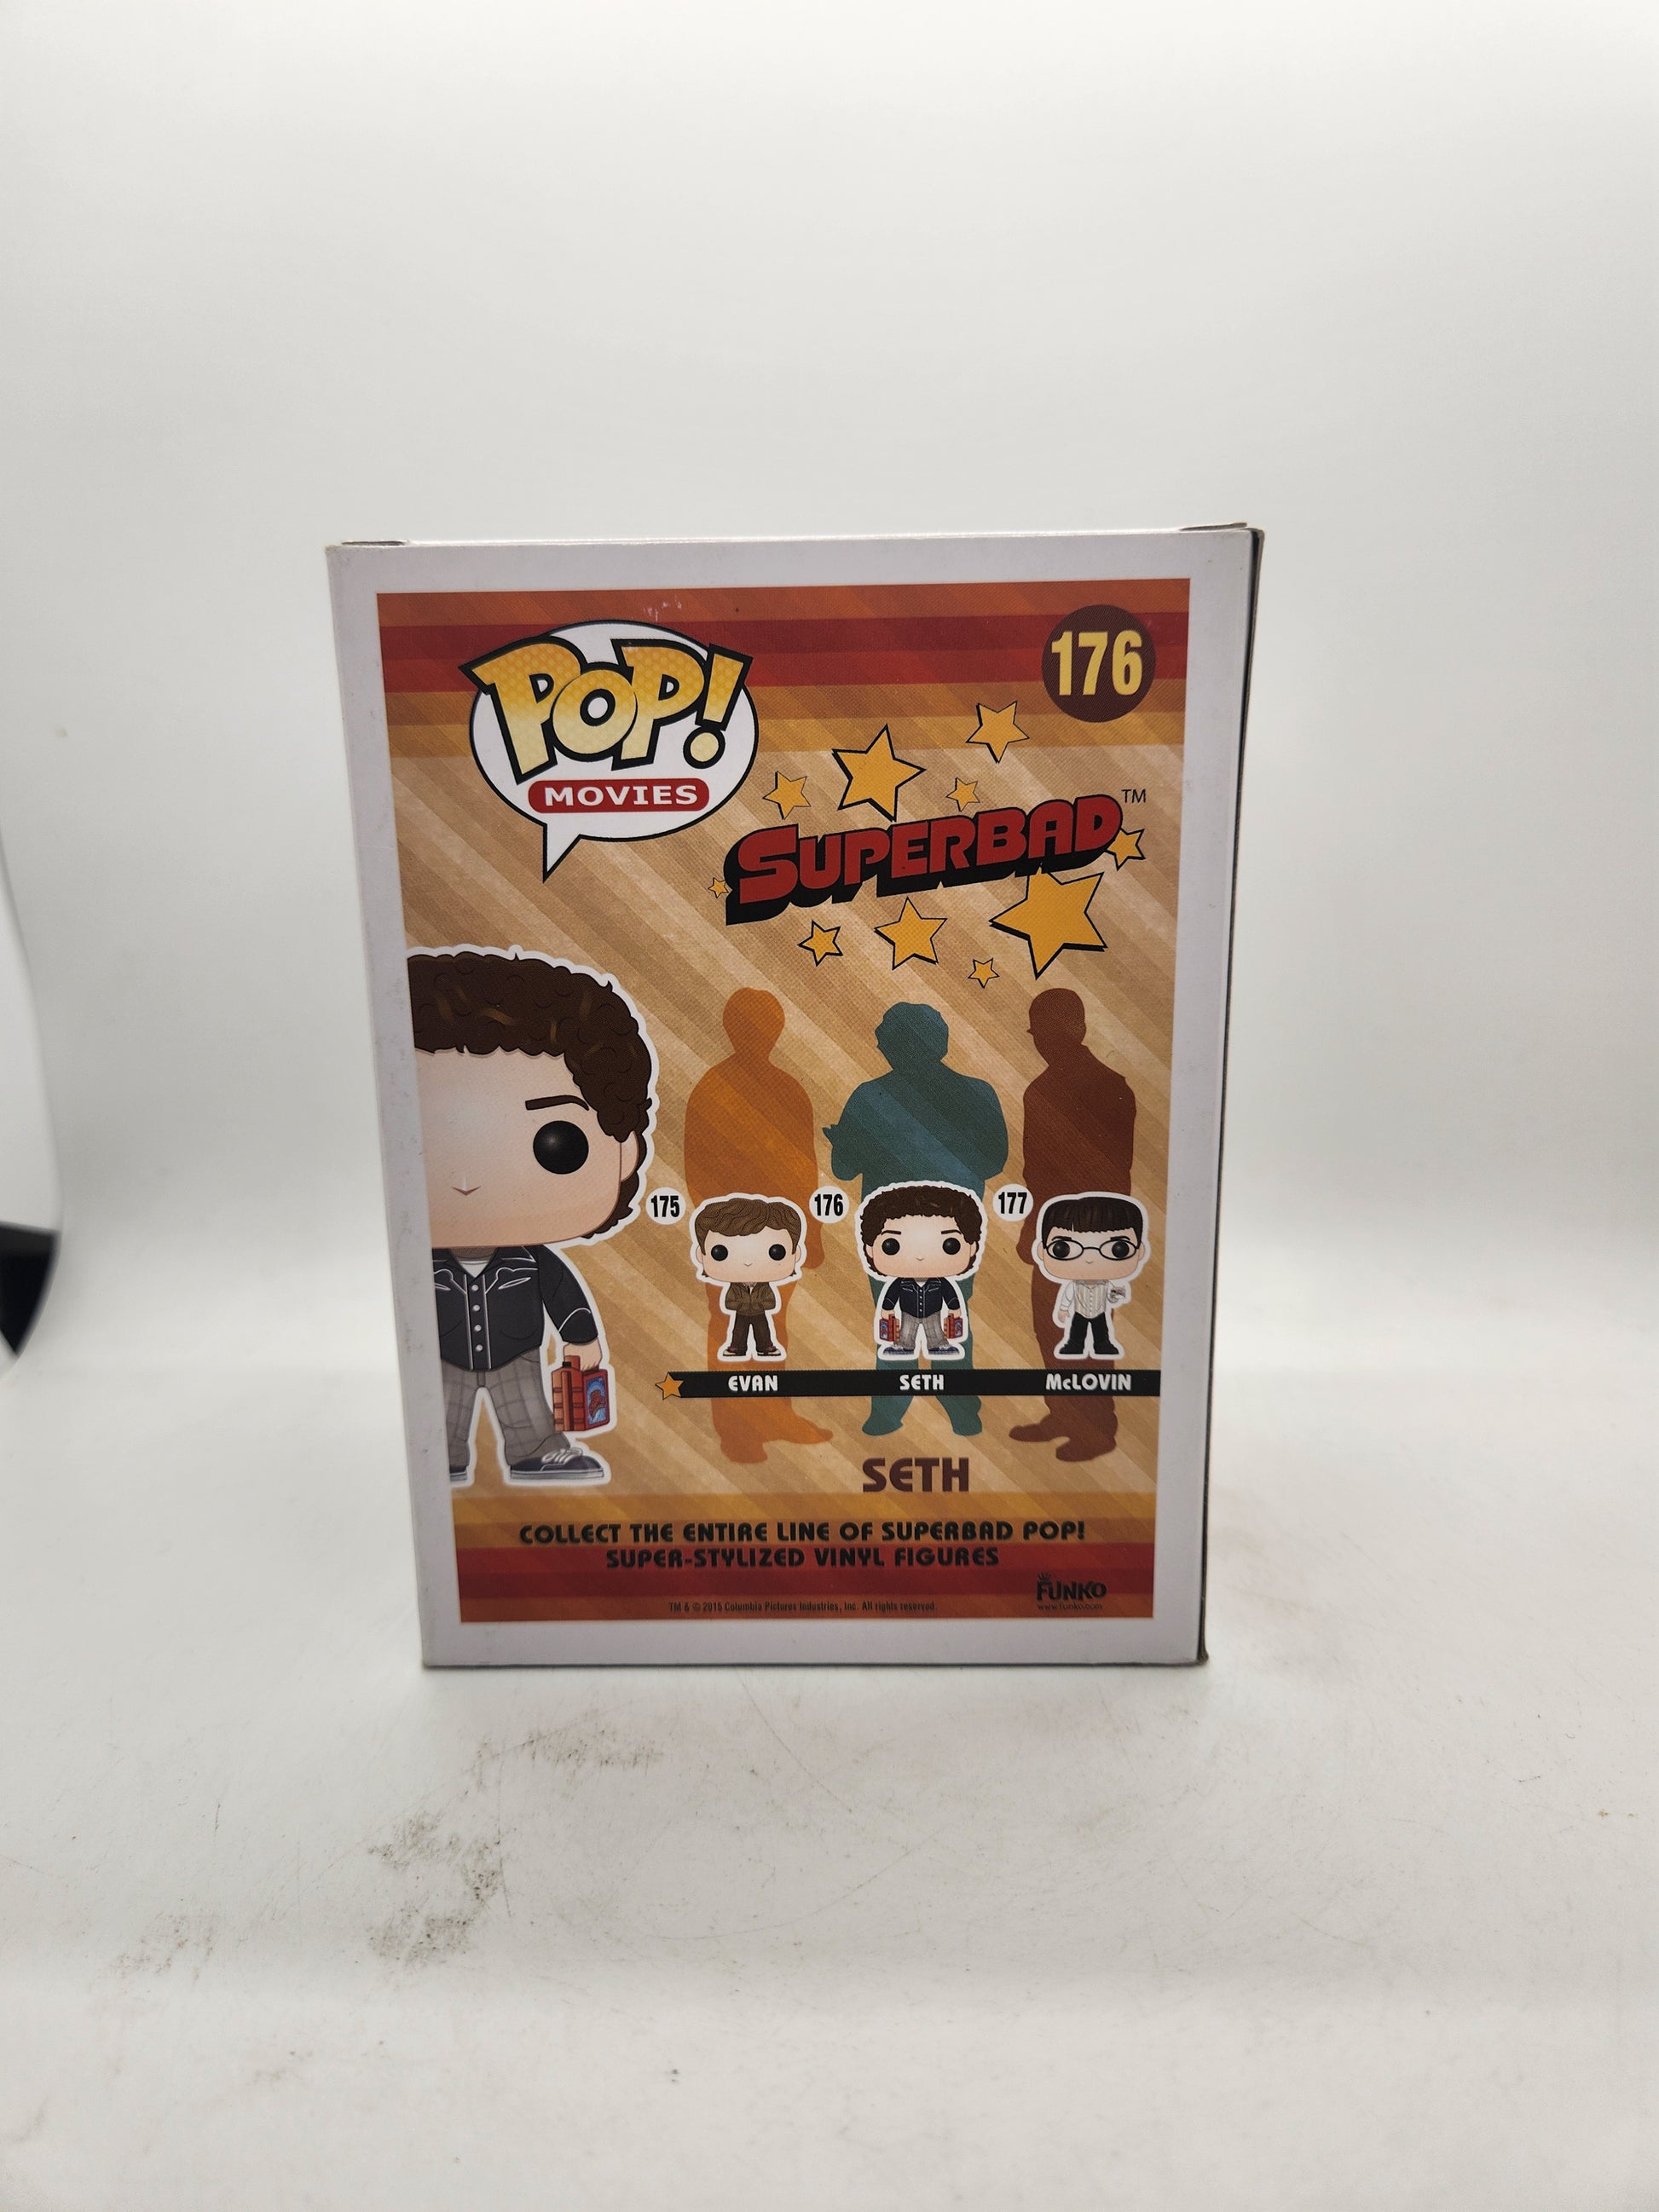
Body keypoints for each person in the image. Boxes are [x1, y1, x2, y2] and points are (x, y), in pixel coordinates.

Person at [409, 948, 655, 1487]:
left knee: (526, 1406)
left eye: (556, 1143)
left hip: (516, 1352)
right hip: (441, 1354)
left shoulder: (533, 1262)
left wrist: (581, 1339)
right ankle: (435, 1458)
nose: (466, 1181)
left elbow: (564, 1297)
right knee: (440, 1413)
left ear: (624, 1152)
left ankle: (537, 1452)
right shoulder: (413, 1265)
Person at [825, 1005, 1007, 1437]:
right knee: (952, 1320)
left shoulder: (870, 1097)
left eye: (884, 1035)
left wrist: (848, 1143)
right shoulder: (977, 1092)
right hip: (955, 1235)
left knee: (893, 1324)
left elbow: (844, 1169)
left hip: (889, 1238)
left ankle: (888, 1413)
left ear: (901, 1043)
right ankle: (962, 1411)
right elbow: (993, 1162)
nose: (877, 1041)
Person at [683, 990, 831, 1460]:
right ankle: (737, 1431)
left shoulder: (787, 1090)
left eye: (767, 1025)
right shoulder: (714, 1088)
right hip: (730, 1239)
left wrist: (811, 1231)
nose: (760, 1035)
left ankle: (773, 1418)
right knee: (732, 1332)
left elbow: (804, 1167)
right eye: (751, 1025)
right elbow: (697, 1168)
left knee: (771, 1328)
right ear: (731, 1028)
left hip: (778, 1238)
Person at [1010, 988, 1136, 1461]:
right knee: (1052, 1326)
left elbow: (1113, 1169)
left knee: (1085, 1331)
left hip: (1089, 1232)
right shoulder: (1043, 1090)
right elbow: (1037, 1173)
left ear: (1078, 1029)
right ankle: (1066, 1414)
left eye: (1049, 1031)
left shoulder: (1101, 1087)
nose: (1043, 1041)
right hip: (1063, 1228)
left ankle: (1097, 1429)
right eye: (1038, 1033)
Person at [859, 1182, 984, 1361]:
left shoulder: (940, 1282)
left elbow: (950, 1297)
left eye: (950, 1245)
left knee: (935, 1332)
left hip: (933, 1313)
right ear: (870, 1249)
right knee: (906, 1333)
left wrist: (955, 1310)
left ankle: (937, 1345)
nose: (920, 1256)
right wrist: (886, 1310)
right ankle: (904, 1345)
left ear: (972, 1248)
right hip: (908, 1314)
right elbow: (890, 1297)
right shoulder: (901, 1282)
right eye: (891, 1245)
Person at [691, 1194, 805, 1362]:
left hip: (759, 1312)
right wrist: (742, 1305)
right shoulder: (736, 1287)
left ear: (796, 1254)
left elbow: (770, 1301)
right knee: (738, 1330)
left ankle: (765, 1346)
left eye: (776, 1252)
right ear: (701, 1255)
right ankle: (737, 1347)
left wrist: (758, 1305)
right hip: (741, 1312)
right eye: (720, 1252)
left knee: (763, 1329)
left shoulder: (763, 1286)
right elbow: (729, 1302)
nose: (748, 1262)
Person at [1033, 1193, 1148, 1359]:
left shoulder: (1106, 1285)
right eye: (1062, 1248)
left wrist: (1118, 1294)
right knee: (1077, 1331)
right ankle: (1074, 1346)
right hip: (1080, 1312)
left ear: (1139, 1251)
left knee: (1101, 1331)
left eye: (1118, 1249)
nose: (1089, 1259)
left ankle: (1103, 1345)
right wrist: (1063, 1310)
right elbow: (1067, 1296)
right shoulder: (1075, 1285)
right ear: (1042, 1251)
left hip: (1099, 1312)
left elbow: (1112, 1299)